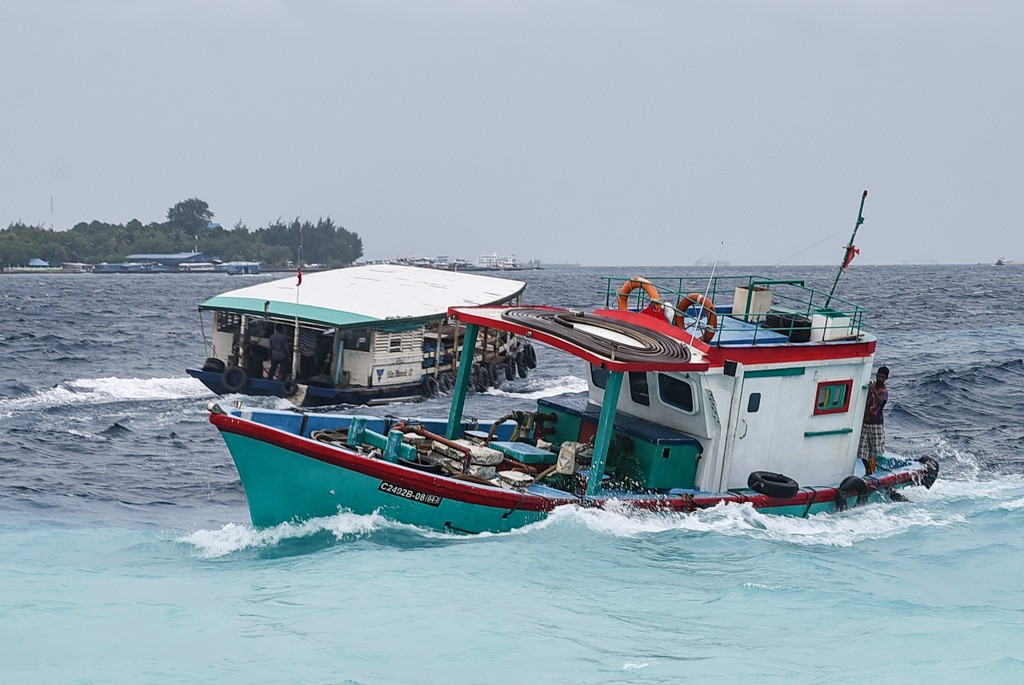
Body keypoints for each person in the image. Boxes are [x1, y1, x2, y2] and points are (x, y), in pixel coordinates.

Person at [857, 366, 889, 475]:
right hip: (866, 423)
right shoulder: (871, 385)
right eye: (879, 376)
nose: (880, 378)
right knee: (862, 450)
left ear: (886, 379)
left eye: (882, 377)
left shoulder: (884, 391)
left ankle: (872, 471)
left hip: (876, 424)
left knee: (875, 451)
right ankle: (868, 470)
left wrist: (873, 390)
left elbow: (880, 402)